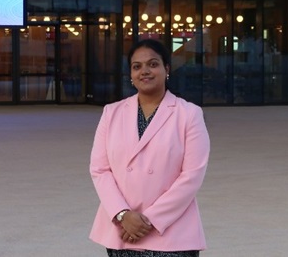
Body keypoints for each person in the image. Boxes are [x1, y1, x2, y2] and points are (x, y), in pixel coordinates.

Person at [89, 39, 210, 257]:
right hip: (123, 230)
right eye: (137, 66)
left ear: (167, 69)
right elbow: (100, 170)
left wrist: (149, 220)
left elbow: (192, 175)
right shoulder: (111, 112)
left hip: (172, 231)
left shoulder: (189, 114)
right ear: (131, 75)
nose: (145, 71)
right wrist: (123, 214)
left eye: (153, 64)